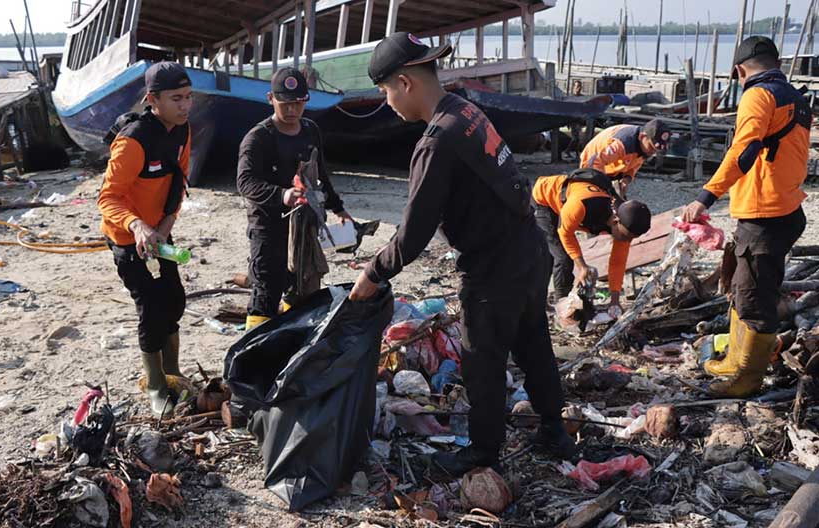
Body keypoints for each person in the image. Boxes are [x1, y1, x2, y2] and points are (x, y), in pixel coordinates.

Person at [348, 32, 574, 475]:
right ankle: (554, 430)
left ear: (405, 82)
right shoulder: (467, 111)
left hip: (494, 266)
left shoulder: (436, 142)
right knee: (533, 344)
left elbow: (413, 234)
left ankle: (483, 453)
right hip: (530, 247)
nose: (387, 101)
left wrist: (373, 273)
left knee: (481, 360)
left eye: (385, 90)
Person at [683, 36, 809, 398]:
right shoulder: (796, 98)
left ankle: (746, 379)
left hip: (766, 215)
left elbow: (745, 149)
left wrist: (705, 197)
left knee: (754, 297)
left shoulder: (758, 95)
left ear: (739, 70)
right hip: (779, 209)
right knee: (742, 286)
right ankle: (736, 359)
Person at [97, 61, 193, 416]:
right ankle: (155, 385)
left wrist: (165, 226)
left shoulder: (182, 131)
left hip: (159, 231)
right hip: (127, 236)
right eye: (176, 98)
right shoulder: (133, 141)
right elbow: (107, 198)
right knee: (150, 307)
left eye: (188, 97)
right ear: (153, 100)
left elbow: (179, 181)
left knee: (175, 300)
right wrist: (138, 227)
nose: (184, 106)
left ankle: (173, 373)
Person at [237, 67, 352, 329]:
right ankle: (254, 354)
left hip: (303, 226)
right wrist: (282, 194)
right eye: (285, 104)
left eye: (298, 103)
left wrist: (338, 208)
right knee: (266, 289)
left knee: (302, 287)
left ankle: (291, 343)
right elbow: (245, 182)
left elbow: (320, 172)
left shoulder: (310, 131)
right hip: (268, 226)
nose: (292, 110)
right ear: (270, 99)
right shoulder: (258, 138)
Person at [533, 170, 652, 315]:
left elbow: (617, 263)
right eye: (626, 236)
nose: (626, 241)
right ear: (615, 221)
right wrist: (582, 266)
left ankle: (552, 304)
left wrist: (615, 301)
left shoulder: (625, 226)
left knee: (558, 257)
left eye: (631, 238)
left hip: (569, 209)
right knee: (562, 258)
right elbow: (565, 232)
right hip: (545, 198)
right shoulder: (581, 205)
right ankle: (562, 311)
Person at [579, 119, 671, 197]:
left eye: (655, 151)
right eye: (651, 148)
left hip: (612, 165)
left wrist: (626, 179)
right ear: (642, 136)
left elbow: (634, 166)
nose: (652, 152)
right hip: (592, 163)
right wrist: (604, 186)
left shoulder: (644, 147)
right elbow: (596, 161)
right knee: (594, 198)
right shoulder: (622, 144)